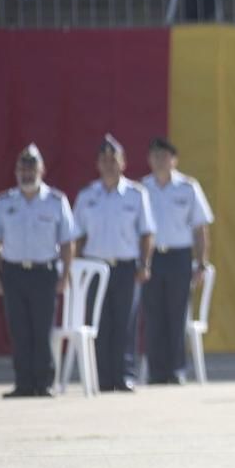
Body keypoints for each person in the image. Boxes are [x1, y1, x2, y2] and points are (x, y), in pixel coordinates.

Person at [0, 144, 75, 398]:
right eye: (23, 169)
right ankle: (23, 383)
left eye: (32, 168)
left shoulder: (56, 201)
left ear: (42, 170)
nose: (27, 173)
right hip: (14, 273)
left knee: (42, 328)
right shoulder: (5, 202)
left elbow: (68, 242)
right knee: (19, 329)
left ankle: (44, 382)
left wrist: (66, 275)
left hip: (44, 272)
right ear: (16, 171)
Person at [73, 134, 156, 393]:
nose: (109, 165)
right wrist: (75, 268)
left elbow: (147, 232)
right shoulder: (87, 196)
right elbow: (77, 235)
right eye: (104, 160)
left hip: (125, 266)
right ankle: (101, 377)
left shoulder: (136, 194)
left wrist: (144, 263)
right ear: (97, 164)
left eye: (114, 160)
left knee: (125, 321)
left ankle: (124, 375)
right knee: (99, 322)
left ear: (124, 163)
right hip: (95, 267)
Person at [141, 137, 214, 384]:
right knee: (153, 314)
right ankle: (156, 370)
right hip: (152, 257)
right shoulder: (142, 189)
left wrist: (201, 262)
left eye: (164, 156)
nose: (159, 161)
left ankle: (176, 370)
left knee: (176, 313)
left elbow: (200, 228)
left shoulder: (188, 187)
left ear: (174, 160)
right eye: (154, 156)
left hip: (179, 256)